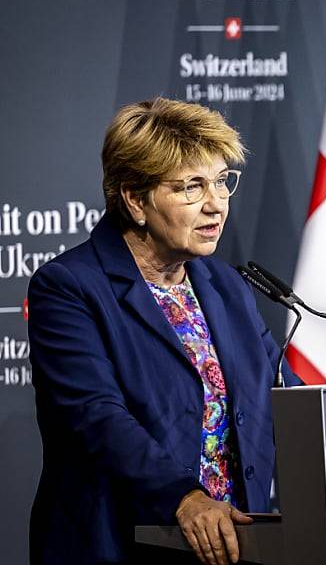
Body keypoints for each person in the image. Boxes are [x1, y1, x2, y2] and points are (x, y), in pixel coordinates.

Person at [28, 98, 300, 565]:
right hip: (122, 542)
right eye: (192, 188)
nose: (215, 204)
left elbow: (283, 393)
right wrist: (186, 498)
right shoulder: (70, 287)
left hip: (231, 542)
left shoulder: (225, 285)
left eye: (220, 182)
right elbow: (96, 417)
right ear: (135, 199)